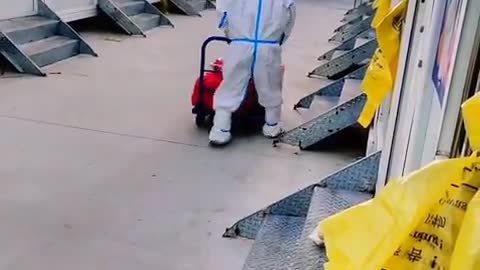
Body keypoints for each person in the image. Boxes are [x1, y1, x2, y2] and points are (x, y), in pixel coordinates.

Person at [209, 0, 296, 145]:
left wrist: (231, 33)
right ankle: (272, 125)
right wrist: (278, 39)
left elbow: (222, 11)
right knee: (270, 86)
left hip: (239, 44)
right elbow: (290, 18)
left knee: (231, 85)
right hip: (268, 46)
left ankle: (220, 129)